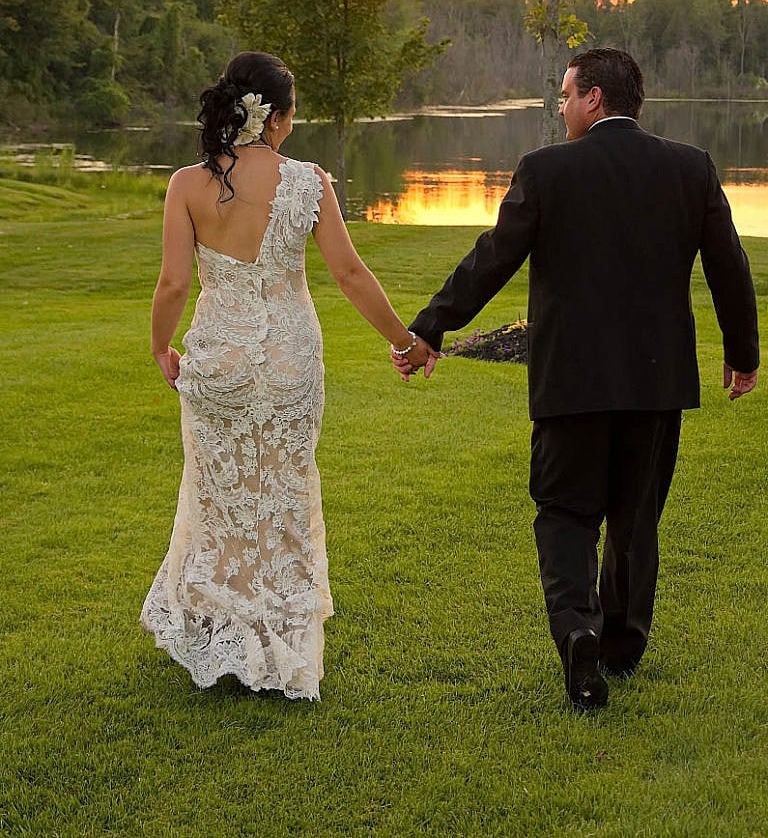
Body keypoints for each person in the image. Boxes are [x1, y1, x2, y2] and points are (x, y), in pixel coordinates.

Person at [395, 47, 759, 712]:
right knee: (635, 517)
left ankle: (577, 630)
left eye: (565, 95)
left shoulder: (546, 170)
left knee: (564, 512)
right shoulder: (690, 168)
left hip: (570, 381)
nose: (560, 107)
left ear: (594, 97)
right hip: (656, 384)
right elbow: (730, 266)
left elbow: (490, 261)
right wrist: (744, 352)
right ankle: (620, 643)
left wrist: (429, 329)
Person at [142, 50, 433, 701]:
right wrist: (405, 341)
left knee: (221, 492)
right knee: (282, 490)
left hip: (220, 357)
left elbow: (173, 282)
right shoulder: (310, 182)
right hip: (290, 359)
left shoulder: (188, 184)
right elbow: (350, 274)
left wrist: (162, 346)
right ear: (275, 116)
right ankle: (279, 637)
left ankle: (221, 630)